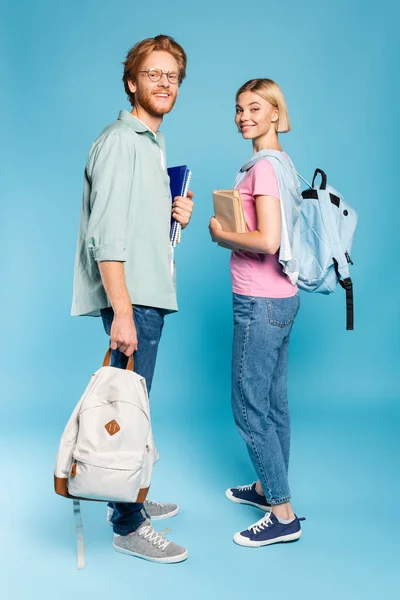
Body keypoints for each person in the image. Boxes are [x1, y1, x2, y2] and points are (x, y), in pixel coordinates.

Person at [71, 35, 194, 563]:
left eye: (172, 76)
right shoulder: (123, 141)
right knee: (129, 410)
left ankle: (130, 497)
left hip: (145, 293)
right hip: (134, 300)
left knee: (136, 407)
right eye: (153, 74)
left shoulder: (149, 142)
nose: (163, 83)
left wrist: (174, 214)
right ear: (132, 82)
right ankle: (127, 522)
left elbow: (135, 225)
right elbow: (107, 236)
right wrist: (122, 309)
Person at [209, 78, 304, 547]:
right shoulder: (283, 165)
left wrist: (220, 233)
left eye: (254, 108)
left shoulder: (263, 169)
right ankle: (270, 488)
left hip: (259, 302)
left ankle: (282, 514)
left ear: (273, 113)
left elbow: (267, 241)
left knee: (249, 408)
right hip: (283, 299)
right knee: (274, 404)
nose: (243, 116)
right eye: (239, 108)